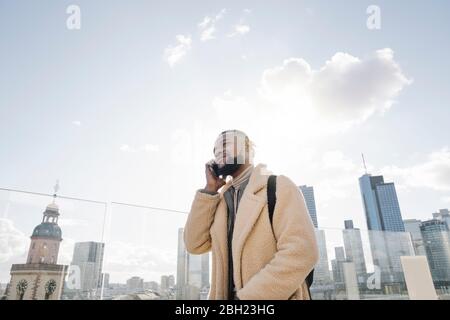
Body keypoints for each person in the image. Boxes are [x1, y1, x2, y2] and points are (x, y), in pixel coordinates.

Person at [183, 130, 318, 300]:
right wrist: (210, 190)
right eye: (215, 151)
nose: (219, 152)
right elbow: (194, 244)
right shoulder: (220, 200)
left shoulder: (278, 186)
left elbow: (302, 251)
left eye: (226, 144)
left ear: (247, 148)